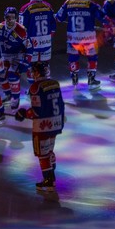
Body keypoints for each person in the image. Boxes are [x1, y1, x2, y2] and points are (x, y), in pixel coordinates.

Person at [15, 61, 65, 192]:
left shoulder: (35, 87)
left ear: (37, 73)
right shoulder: (55, 83)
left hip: (43, 125)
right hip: (56, 122)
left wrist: (24, 113)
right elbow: (61, 104)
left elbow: (37, 110)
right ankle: (52, 174)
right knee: (49, 149)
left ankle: (49, 181)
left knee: (42, 153)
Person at [55, 0, 107, 89]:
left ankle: (74, 78)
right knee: (92, 57)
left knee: (73, 58)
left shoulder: (68, 3)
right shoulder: (91, 4)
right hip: (88, 38)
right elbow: (103, 17)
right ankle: (91, 79)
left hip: (72, 38)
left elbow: (59, 18)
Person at [19, 0, 57, 82]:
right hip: (46, 43)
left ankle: (33, 91)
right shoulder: (48, 6)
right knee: (45, 66)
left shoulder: (25, 9)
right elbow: (53, 28)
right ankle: (45, 87)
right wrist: (47, 38)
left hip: (32, 44)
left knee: (31, 67)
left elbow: (21, 29)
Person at [0, 7, 33, 113]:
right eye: (8, 17)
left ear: (16, 18)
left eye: (12, 17)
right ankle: (9, 95)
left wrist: (26, 62)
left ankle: (16, 98)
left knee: (13, 76)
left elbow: (30, 47)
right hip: (4, 56)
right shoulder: (0, 27)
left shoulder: (21, 30)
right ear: (4, 17)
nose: (10, 20)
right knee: (1, 77)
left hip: (17, 56)